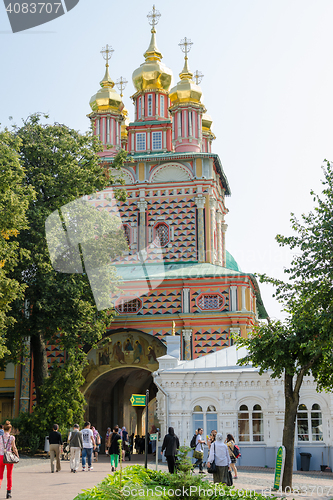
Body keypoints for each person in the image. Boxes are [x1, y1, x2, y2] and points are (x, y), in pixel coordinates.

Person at [0, 421, 19, 499]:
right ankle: (8, 492)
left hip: (0, 457)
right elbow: (14, 448)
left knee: (0, 476)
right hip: (9, 458)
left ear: (3, 429)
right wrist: (17, 455)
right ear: (10, 429)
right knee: (9, 475)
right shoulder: (12, 437)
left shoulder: (0, 437)